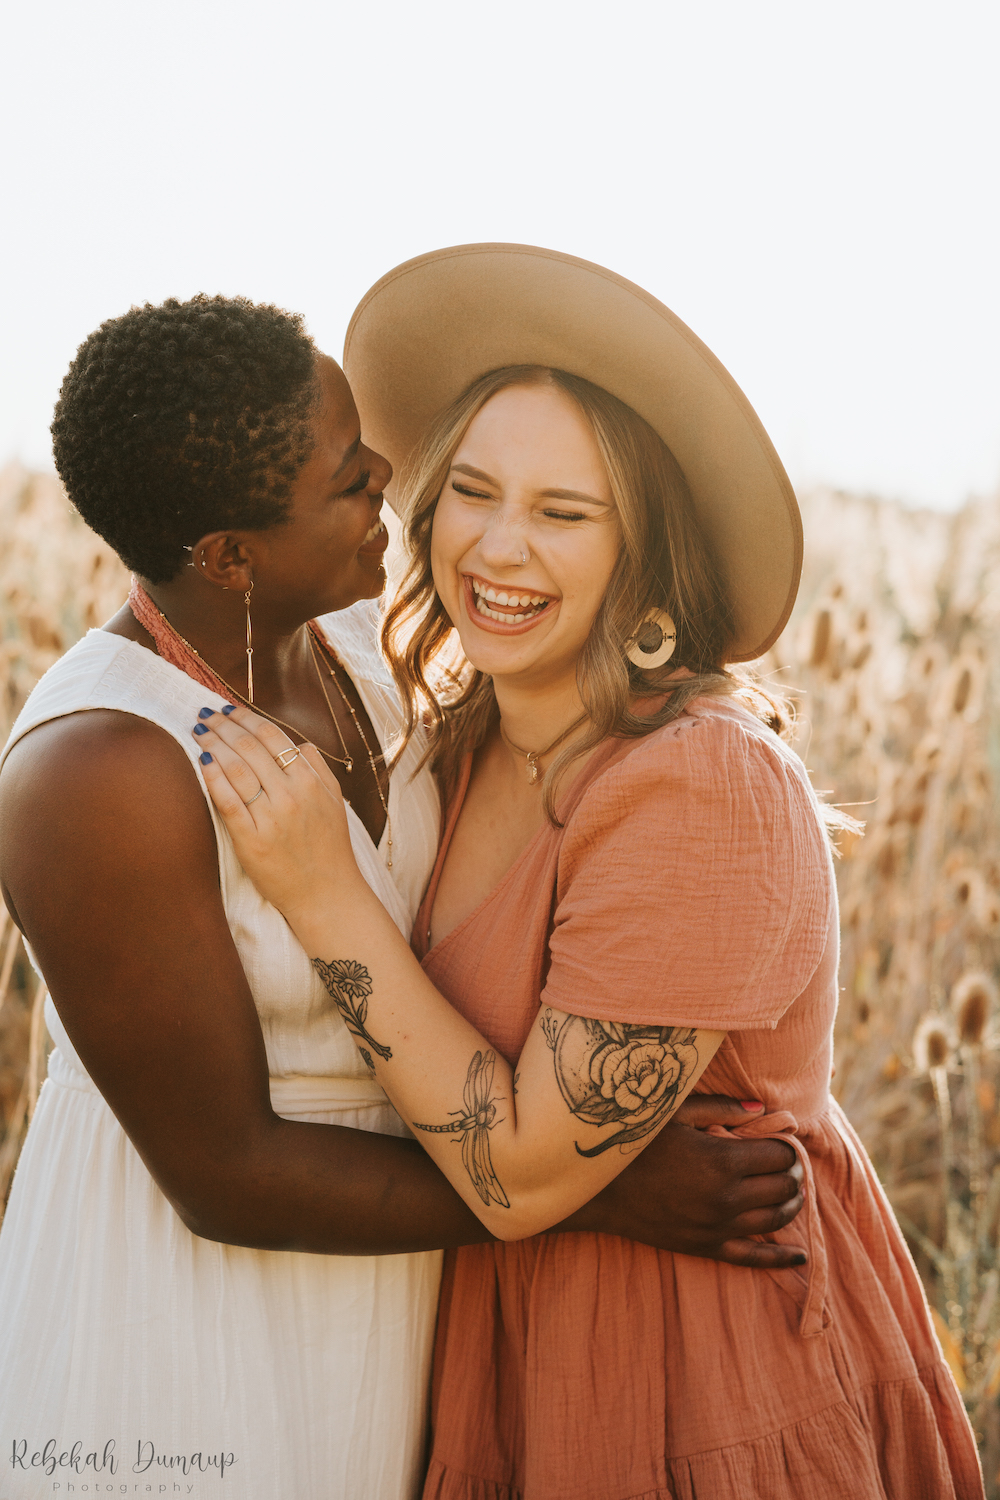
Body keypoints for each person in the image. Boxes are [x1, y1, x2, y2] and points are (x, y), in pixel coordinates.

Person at [190, 247, 985, 1499]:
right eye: (472, 491)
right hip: (501, 1364)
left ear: (642, 552)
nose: (498, 549)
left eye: (564, 514)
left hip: (697, 1377)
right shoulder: (458, 743)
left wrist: (319, 892)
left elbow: (515, 1175)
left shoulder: (697, 785)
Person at [0, 293, 808, 1500]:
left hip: (405, 1295)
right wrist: (598, 1193)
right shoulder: (102, 770)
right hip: (186, 1326)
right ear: (229, 555)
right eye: (345, 476)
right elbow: (223, 1175)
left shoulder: (372, 660)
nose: (390, 471)